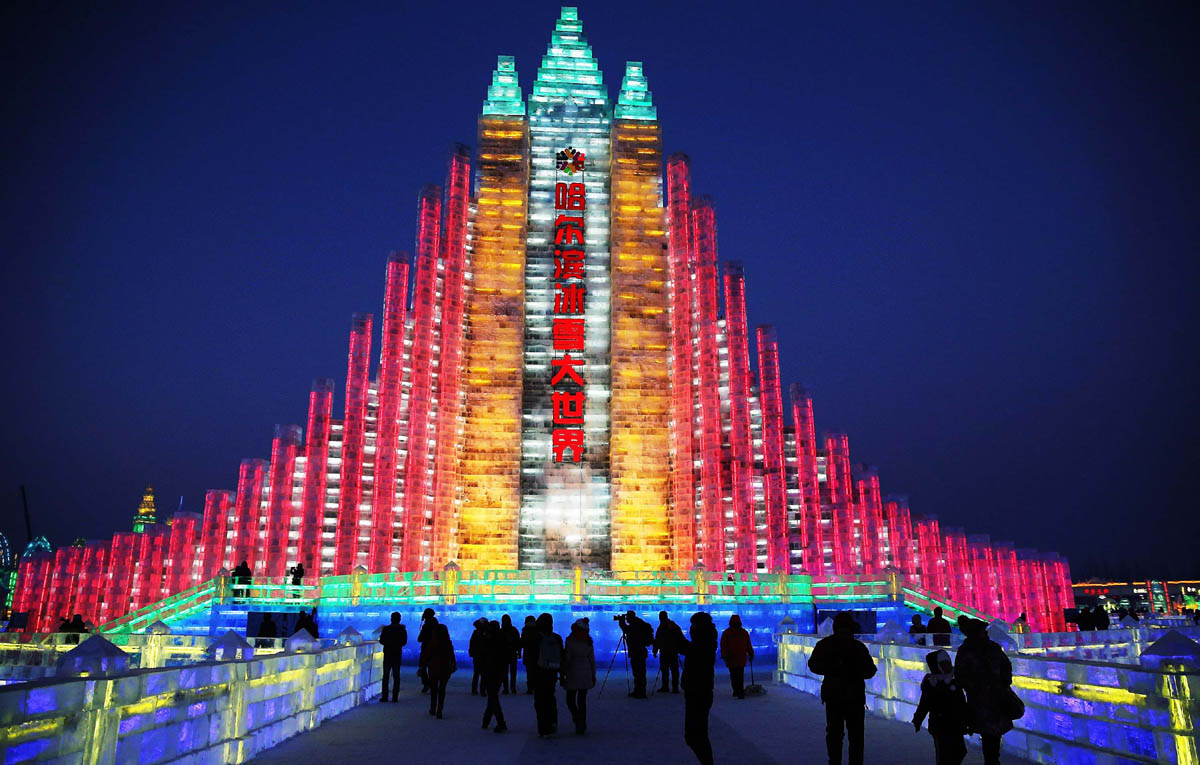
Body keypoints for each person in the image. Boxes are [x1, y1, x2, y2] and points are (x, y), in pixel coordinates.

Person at [808, 611, 878, 765]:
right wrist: (855, 671)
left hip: (834, 697)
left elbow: (813, 665)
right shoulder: (857, 646)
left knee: (834, 734)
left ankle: (834, 761)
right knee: (856, 736)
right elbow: (870, 670)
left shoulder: (825, 644)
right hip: (855, 697)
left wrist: (831, 670)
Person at [954, 618, 1014, 765]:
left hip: (980, 699)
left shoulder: (966, 651)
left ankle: (992, 760)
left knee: (989, 733)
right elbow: (1006, 667)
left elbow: (959, 675)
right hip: (991, 698)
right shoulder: (992, 648)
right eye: (983, 630)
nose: (986, 633)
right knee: (991, 733)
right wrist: (1003, 682)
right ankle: (992, 760)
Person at [913, 649, 969, 765]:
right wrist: (917, 720)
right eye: (944, 664)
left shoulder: (954, 682)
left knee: (960, 751)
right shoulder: (932, 684)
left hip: (956, 724)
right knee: (944, 755)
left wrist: (968, 721)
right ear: (937, 666)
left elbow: (962, 704)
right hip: (940, 726)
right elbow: (924, 704)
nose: (948, 666)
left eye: (948, 663)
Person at [679, 611, 718, 765]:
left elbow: (688, 650)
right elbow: (687, 649)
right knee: (697, 735)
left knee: (695, 735)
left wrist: (675, 632)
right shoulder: (705, 640)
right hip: (698, 690)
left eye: (693, 625)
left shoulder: (704, 642)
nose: (691, 628)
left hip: (698, 691)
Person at [525, 612, 563, 737]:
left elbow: (529, 654)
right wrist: (562, 673)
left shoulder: (536, 637)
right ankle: (552, 723)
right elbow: (562, 657)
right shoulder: (557, 638)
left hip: (539, 672)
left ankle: (543, 727)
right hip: (552, 672)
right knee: (550, 698)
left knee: (540, 701)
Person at [561, 618, 596, 734]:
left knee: (570, 700)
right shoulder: (588, 641)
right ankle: (582, 723)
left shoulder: (570, 641)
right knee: (582, 700)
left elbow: (567, 659)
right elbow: (592, 660)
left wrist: (563, 673)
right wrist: (593, 674)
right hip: (586, 671)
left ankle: (577, 720)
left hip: (573, 671)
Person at [617, 609, 653, 698]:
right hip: (640, 652)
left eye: (627, 618)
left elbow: (626, 630)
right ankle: (640, 691)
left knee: (638, 673)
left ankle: (639, 692)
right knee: (640, 673)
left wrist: (621, 622)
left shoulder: (635, 626)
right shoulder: (639, 623)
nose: (626, 619)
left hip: (637, 652)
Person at [480, 620, 509, 732]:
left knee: (493, 697)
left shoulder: (490, 639)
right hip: (500, 671)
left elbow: (485, 654)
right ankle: (486, 721)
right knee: (493, 696)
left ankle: (500, 722)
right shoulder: (501, 638)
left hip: (490, 671)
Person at [425, 620, 456, 719]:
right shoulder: (447, 642)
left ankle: (432, 708)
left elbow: (427, 655)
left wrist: (423, 665)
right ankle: (439, 710)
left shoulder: (432, 642)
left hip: (433, 666)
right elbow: (451, 654)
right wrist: (454, 664)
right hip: (445, 666)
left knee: (434, 688)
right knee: (442, 688)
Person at [720, 614, 754, 699]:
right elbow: (748, 645)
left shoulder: (726, 633)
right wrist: (751, 653)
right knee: (740, 675)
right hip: (741, 657)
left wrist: (724, 655)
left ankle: (736, 690)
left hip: (731, 657)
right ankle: (740, 690)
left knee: (733, 674)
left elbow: (723, 645)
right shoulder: (744, 632)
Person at [379, 611, 408, 702]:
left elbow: (381, 640)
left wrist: (388, 644)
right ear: (399, 619)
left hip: (387, 654)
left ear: (391, 619)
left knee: (386, 676)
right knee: (396, 676)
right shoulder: (402, 629)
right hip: (397, 654)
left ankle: (385, 696)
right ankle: (395, 696)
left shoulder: (386, 629)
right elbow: (404, 642)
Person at [654, 611, 684, 693]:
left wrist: (655, 650)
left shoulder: (661, 627)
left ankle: (665, 687)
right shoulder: (673, 626)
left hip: (665, 651)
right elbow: (680, 638)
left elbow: (657, 640)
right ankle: (675, 688)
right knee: (674, 670)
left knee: (665, 670)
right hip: (673, 651)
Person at [501, 614, 521, 694]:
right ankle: (513, 687)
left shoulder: (501, 631)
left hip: (504, 653)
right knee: (513, 672)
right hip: (512, 653)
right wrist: (519, 651)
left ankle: (506, 688)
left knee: (504, 672)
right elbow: (518, 642)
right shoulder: (514, 630)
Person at [417, 607, 436, 693]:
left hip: (425, 650)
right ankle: (433, 685)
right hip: (434, 650)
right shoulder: (436, 624)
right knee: (433, 668)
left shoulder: (426, 625)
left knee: (423, 668)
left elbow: (420, 638)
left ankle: (426, 684)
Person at [469, 617, 489, 696]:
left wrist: (471, 652)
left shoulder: (476, 632)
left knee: (477, 673)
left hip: (477, 655)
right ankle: (482, 690)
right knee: (483, 673)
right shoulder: (486, 632)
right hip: (483, 655)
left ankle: (475, 689)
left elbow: (471, 643)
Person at [521, 615, 540, 694]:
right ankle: (537, 687)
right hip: (537, 653)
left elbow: (522, 642)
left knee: (529, 672)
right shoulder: (538, 629)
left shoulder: (525, 630)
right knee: (537, 671)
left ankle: (530, 688)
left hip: (528, 653)